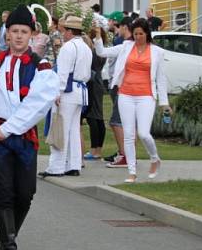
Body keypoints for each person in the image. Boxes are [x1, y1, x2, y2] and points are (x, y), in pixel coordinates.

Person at [0, 4, 59, 250]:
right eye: (14, 31)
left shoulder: (42, 68)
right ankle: (9, 245)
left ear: (31, 34)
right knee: (3, 192)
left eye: (24, 31)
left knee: (25, 193)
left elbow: (36, 105)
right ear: (7, 34)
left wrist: (6, 130)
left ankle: (9, 235)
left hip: (23, 137)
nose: (19, 36)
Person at [94, 18, 170, 182]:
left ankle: (155, 158)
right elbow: (102, 52)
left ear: (147, 34)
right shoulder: (126, 47)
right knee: (128, 135)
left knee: (143, 133)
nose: (137, 37)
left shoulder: (157, 52)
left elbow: (161, 79)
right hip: (126, 94)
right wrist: (98, 37)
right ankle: (132, 172)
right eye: (135, 34)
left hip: (146, 96)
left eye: (141, 34)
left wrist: (164, 103)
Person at [40, 15, 92, 178]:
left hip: (68, 91)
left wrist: (57, 92)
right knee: (74, 129)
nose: (62, 34)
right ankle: (73, 164)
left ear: (70, 31)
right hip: (80, 91)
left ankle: (56, 167)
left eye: (64, 30)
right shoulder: (86, 47)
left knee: (60, 128)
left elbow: (63, 73)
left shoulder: (68, 48)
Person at [104, 17, 133, 167]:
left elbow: (102, 52)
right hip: (126, 87)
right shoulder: (128, 45)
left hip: (124, 88)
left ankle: (125, 155)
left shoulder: (126, 45)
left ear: (125, 27)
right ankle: (127, 154)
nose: (117, 29)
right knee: (125, 123)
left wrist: (97, 38)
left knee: (116, 122)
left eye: (119, 26)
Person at [82, 28, 107, 161]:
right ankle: (98, 149)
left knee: (93, 117)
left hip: (93, 83)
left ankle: (94, 150)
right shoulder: (101, 51)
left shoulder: (95, 52)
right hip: (98, 82)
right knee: (98, 117)